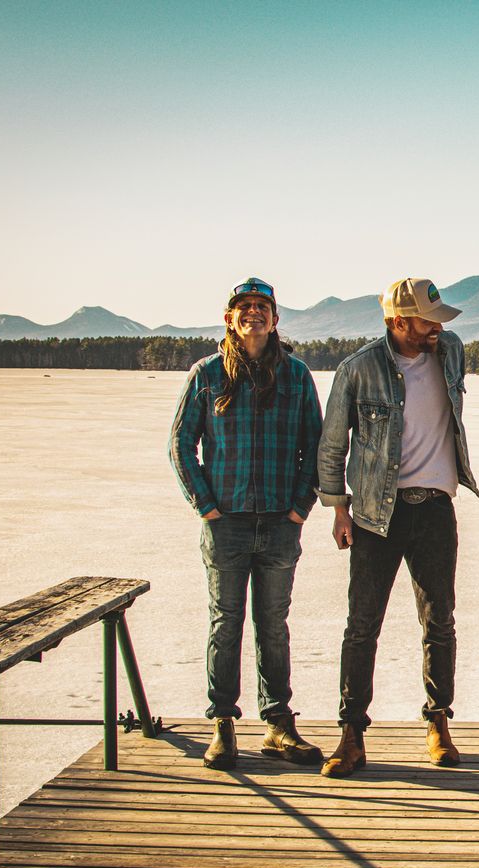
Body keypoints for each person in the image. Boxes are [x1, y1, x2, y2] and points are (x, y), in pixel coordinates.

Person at [316, 277, 479, 778]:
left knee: (439, 622)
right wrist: (339, 509)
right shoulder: (358, 369)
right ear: (397, 321)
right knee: (362, 626)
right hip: (374, 515)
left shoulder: (449, 351)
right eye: (427, 320)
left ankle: (437, 722)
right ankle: (351, 733)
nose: (437, 328)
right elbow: (331, 447)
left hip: (434, 510)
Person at [169, 276, 324, 771]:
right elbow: (181, 446)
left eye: (263, 306)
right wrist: (206, 507)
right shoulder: (207, 373)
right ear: (229, 317)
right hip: (226, 524)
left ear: (275, 318)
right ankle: (223, 724)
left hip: (280, 522)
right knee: (226, 623)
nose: (253, 312)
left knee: (273, 626)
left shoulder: (296, 375)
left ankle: (278, 724)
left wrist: (300, 508)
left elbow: (315, 448)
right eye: (244, 306)